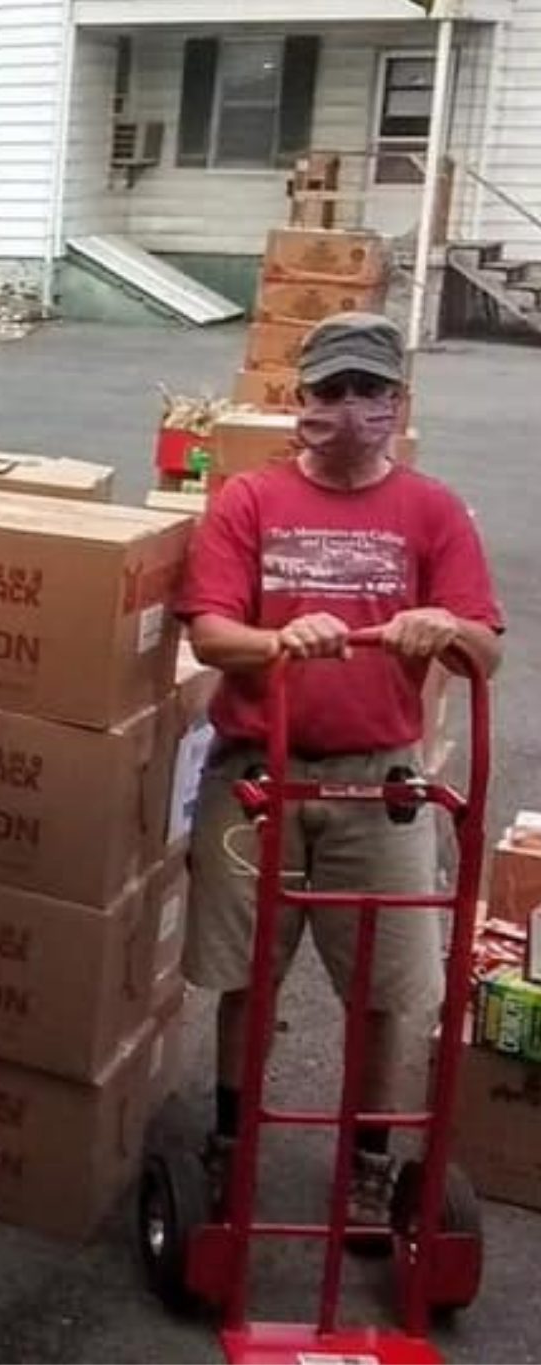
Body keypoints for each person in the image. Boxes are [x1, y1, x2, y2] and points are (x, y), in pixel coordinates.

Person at [178, 311, 503, 1229]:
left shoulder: (433, 510)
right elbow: (211, 633)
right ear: (300, 401)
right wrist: (279, 639)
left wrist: (446, 629)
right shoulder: (248, 500)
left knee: (386, 986)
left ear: (397, 402)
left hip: (381, 783)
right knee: (246, 973)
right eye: (331, 391)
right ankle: (233, 1140)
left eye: (369, 392)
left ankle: (369, 1161)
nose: (350, 408)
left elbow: (488, 647)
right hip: (259, 769)